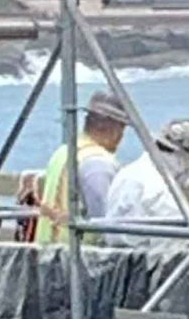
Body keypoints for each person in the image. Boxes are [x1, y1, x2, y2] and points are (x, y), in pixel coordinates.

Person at [31, 88, 129, 244]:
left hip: (47, 250)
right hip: (80, 256)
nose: (122, 136)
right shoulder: (98, 163)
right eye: (122, 128)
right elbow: (106, 224)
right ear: (111, 128)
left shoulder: (64, 151)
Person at [105, 116, 189, 234]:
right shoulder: (158, 188)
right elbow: (175, 238)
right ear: (182, 157)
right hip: (147, 249)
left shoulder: (127, 172)